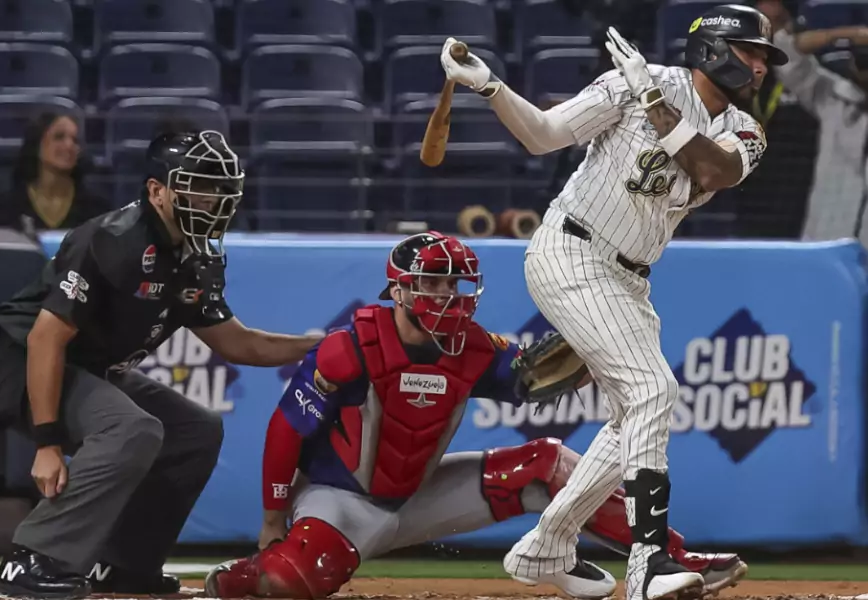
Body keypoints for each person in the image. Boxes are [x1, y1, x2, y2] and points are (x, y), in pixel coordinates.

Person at [438, 4, 784, 600]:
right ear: (714, 49)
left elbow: (712, 169)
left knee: (632, 414)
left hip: (629, 278)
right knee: (654, 390)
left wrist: (654, 103)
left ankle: (545, 544)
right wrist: (489, 85)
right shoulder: (633, 81)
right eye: (750, 52)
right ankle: (646, 565)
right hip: (571, 250)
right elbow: (544, 135)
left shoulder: (744, 130)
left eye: (763, 58)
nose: (759, 67)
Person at [204, 231, 748, 600]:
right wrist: (273, 521)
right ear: (399, 289)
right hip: (342, 499)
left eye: (454, 284)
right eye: (433, 284)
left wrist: (596, 341)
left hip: (420, 494)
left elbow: (534, 382)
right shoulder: (348, 349)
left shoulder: (474, 346)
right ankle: (236, 579)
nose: (448, 296)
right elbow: (286, 430)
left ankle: (670, 558)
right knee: (293, 579)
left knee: (548, 463)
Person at [0, 130, 322, 599]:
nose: (212, 199)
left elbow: (241, 345)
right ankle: (33, 559)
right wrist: (47, 442)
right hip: (11, 364)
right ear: (157, 190)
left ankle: (121, 564)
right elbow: (45, 338)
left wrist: (317, 346)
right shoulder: (113, 240)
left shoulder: (195, 259)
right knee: (132, 429)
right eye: (199, 185)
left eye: (220, 188)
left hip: (82, 369)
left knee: (195, 430)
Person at [755, 1, 868, 243]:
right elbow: (786, 54)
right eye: (861, 61)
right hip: (827, 239)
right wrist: (849, 35)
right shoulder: (834, 97)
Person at [0, 112, 111, 235]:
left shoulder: (97, 210)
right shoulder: (6, 207)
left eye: (75, 140)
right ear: (37, 145)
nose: (69, 145)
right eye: (59, 137)